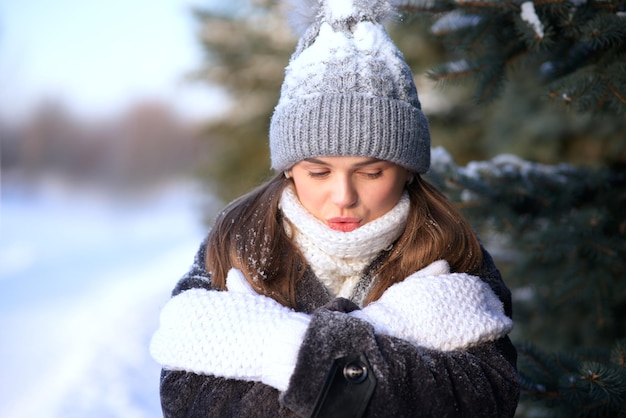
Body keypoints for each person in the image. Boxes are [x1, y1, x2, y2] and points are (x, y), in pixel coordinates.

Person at [149, 0, 520, 416]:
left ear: (409, 170)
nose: (343, 196)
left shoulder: (450, 251)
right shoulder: (235, 244)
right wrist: (377, 340)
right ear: (289, 168)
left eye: (372, 173)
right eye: (319, 172)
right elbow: (186, 398)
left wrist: (284, 352)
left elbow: (485, 396)